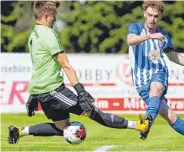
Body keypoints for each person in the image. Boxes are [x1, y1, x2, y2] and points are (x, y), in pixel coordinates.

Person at [8, 1, 150, 144]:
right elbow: (66, 65)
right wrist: (80, 91)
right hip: (53, 90)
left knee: (61, 127)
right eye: (53, 16)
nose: (55, 19)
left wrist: (34, 95)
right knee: (94, 113)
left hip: (42, 91)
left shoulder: (34, 34)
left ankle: (19, 131)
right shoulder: (48, 34)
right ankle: (139, 126)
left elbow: (39, 65)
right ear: (46, 16)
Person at [127, 0, 184, 147]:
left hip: (158, 72)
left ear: (160, 17)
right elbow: (130, 41)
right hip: (140, 81)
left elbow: (173, 56)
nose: (152, 19)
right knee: (170, 116)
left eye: (156, 16)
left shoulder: (164, 36)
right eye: (150, 15)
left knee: (156, 88)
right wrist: (150, 36)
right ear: (144, 14)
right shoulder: (135, 27)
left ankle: (146, 124)